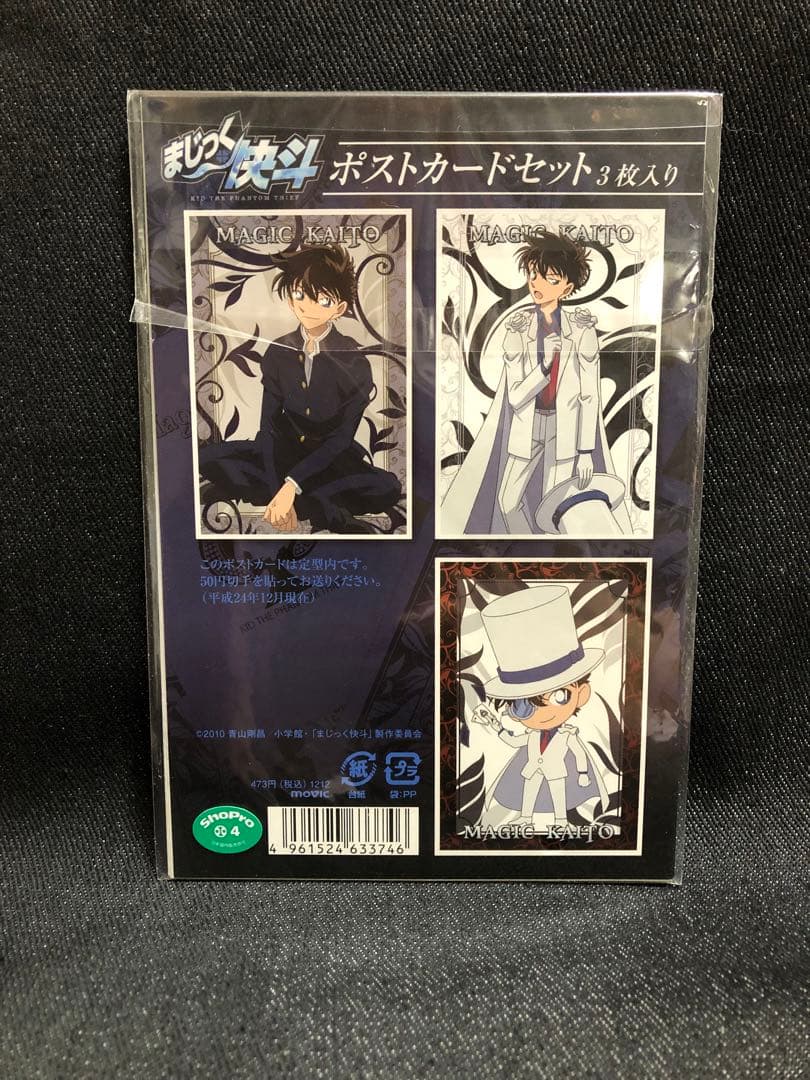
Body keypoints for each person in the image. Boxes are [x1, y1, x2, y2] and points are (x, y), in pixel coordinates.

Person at [199, 243, 401, 534]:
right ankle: (318, 506)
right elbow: (268, 427)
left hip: (330, 460)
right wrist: (279, 489)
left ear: (340, 308)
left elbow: (340, 440)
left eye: (323, 300)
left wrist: (291, 486)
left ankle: (295, 500)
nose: (308, 306)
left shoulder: (355, 362)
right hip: (280, 453)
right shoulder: (278, 351)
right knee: (207, 458)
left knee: (387, 487)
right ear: (291, 299)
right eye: (299, 295)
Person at [441, 232, 628, 535]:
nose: (537, 284)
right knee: (508, 502)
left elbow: (589, 395)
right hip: (527, 427)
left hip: (564, 430)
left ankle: (550, 554)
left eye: (550, 279)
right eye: (533, 275)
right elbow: (515, 396)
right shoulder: (518, 329)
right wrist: (544, 365)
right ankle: (526, 545)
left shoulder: (582, 330)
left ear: (568, 287)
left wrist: (585, 451)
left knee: (556, 507)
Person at [476, 585, 610, 832]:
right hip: (532, 769)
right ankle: (525, 818)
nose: (541, 713)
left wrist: (582, 774)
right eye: (522, 706)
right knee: (529, 792)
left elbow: (579, 754)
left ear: (581, 695)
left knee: (559, 795)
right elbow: (515, 742)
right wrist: (495, 726)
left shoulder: (568, 734)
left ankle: (561, 821)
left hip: (557, 772)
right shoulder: (532, 735)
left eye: (560, 696)